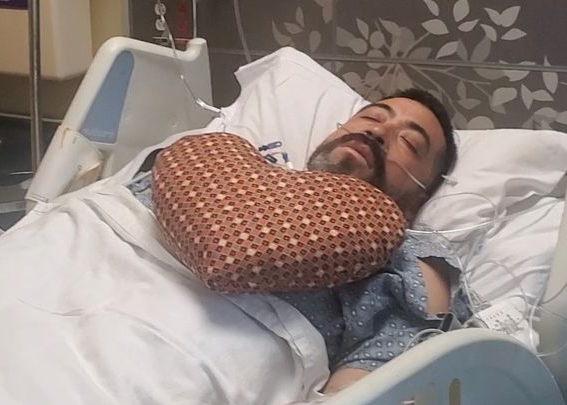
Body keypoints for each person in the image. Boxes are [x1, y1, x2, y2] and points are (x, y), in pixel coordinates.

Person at [128, 87, 467, 394]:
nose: (377, 132)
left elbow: (385, 371)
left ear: (418, 199)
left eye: (409, 143)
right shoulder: (224, 170)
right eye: (372, 117)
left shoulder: (403, 255)